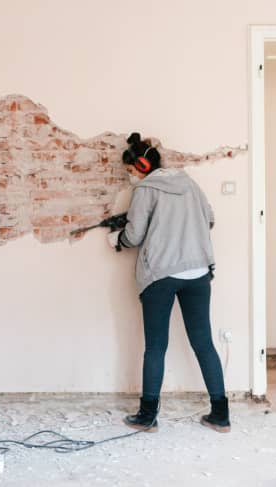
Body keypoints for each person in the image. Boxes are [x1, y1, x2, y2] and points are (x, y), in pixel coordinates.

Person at [111, 132, 230, 433]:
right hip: (198, 272)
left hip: (161, 275)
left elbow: (135, 236)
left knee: (155, 347)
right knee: (203, 343)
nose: (130, 178)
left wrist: (118, 239)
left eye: (130, 172)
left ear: (140, 167)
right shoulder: (190, 184)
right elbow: (210, 219)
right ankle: (220, 414)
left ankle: (147, 416)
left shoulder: (145, 191)